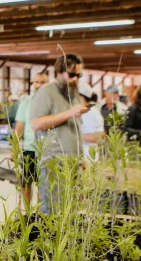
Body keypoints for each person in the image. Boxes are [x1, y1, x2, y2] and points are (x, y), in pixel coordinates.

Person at [29, 54, 89, 213]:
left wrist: (81, 157)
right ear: (59, 72)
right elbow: (36, 123)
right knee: (52, 211)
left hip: (72, 164)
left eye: (79, 75)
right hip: (53, 163)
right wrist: (69, 113)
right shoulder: (45, 92)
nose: (75, 79)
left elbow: (75, 128)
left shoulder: (73, 94)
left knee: (71, 210)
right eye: (71, 75)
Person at [14, 71, 49, 205]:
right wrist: (15, 148)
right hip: (29, 149)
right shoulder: (26, 101)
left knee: (44, 185)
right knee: (25, 183)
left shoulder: (51, 102)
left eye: (42, 82)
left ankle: (42, 212)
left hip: (47, 150)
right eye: (36, 82)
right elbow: (19, 126)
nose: (39, 85)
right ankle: (28, 213)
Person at [80, 89, 104, 159]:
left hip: (89, 155)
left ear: (81, 98)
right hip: (81, 154)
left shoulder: (94, 113)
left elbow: (98, 137)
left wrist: (75, 136)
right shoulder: (81, 111)